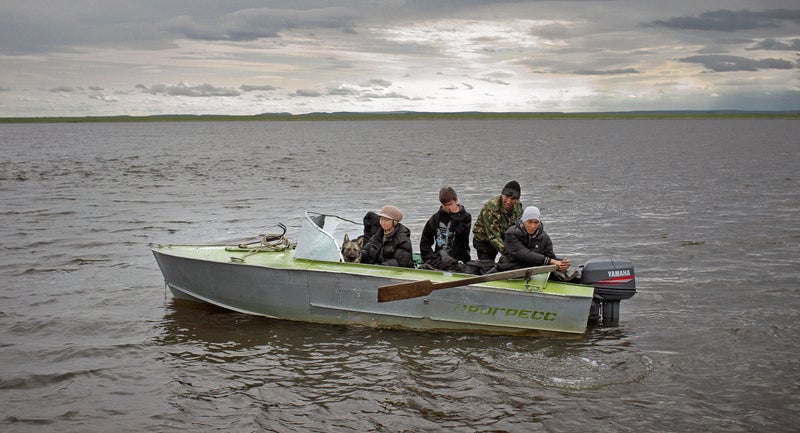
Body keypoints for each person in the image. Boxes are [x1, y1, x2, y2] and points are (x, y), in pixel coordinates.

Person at [493, 206, 571, 273]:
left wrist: (562, 263)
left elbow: (551, 258)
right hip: (508, 269)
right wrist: (550, 261)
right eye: (529, 222)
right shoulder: (511, 234)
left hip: (532, 271)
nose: (533, 226)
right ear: (523, 221)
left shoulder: (544, 238)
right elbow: (524, 254)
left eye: (536, 222)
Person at [419, 187, 472, 271]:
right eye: (445, 205)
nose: (448, 208)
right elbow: (425, 240)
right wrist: (430, 257)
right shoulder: (436, 217)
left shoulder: (465, 217)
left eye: (450, 204)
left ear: (456, 200)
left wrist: (455, 218)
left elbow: (463, 237)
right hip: (440, 258)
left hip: (460, 258)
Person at [472, 180, 523, 261]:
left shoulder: (518, 206)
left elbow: (520, 227)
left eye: (512, 199)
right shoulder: (490, 208)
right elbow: (493, 236)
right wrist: (509, 253)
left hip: (504, 235)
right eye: (506, 197)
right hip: (485, 241)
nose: (508, 201)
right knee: (487, 266)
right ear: (502, 194)